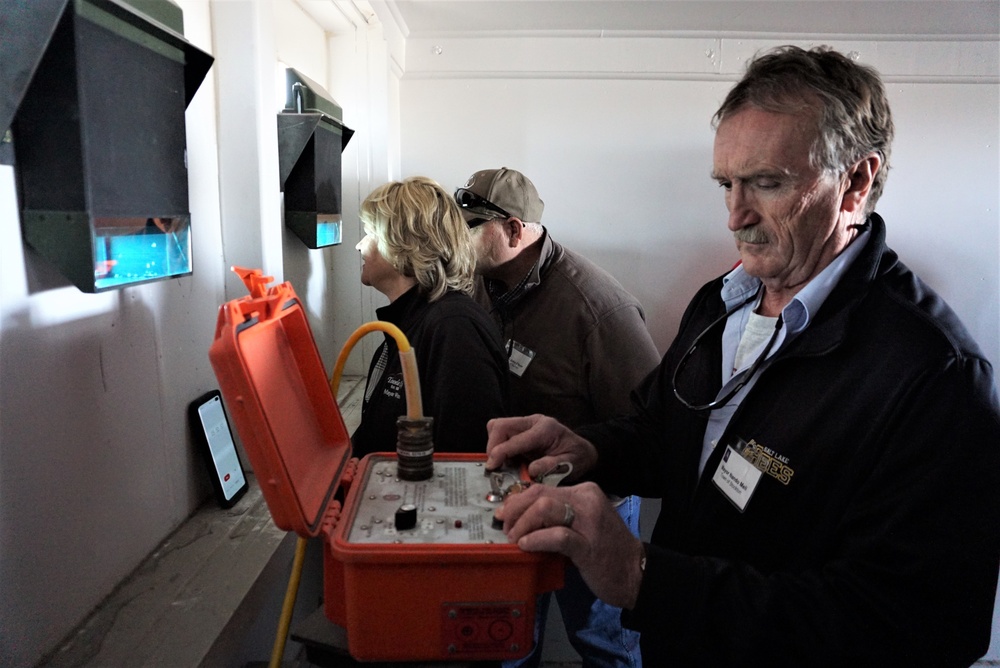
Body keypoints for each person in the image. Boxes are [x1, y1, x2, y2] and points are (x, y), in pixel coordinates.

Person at [484, 45, 1000, 667]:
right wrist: (588, 448)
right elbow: (663, 428)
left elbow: (923, 625)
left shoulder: (934, 375)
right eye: (727, 183)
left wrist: (647, 575)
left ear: (856, 183)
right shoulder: (721, 301)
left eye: (768, 182)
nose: (735, 214)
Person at [455, 167, 660, 667]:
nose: (462, 237)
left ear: (513, 229)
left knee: (602, 639)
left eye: (472, 227)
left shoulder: (598, 310)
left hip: (588, 504)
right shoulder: (483, 283)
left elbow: (652, 427)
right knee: (509, 637)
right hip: (514, 497)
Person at [350, 176, 508, 457]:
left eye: (370, 233)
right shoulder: (409, 322)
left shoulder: (455, 329)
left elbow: (466, 460)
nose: (360, 246)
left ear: (403, 244)